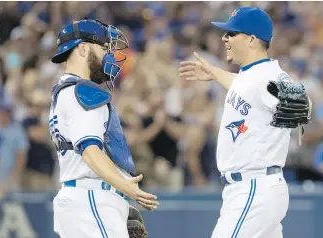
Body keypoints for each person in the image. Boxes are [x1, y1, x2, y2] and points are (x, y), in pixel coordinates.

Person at [179, 7, 311, 238]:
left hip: (254, 188)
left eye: (231, 34)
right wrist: (215, 73)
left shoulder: (270, 76)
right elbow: (245, 86)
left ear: (251, 39)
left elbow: (301, 101)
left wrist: (301, 107)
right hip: (254, 188)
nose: (224, 38)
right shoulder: (252, 77)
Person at [49, 19, 158, 238]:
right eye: (104, 48)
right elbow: (90, 151)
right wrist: (126, 187)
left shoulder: (67, 91)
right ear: (82, 48)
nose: (110, 55)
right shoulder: (83, 91)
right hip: (91, 198)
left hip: (87, 198)